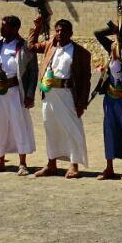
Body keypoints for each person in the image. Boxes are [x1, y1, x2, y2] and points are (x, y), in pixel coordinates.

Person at [29, 17, 90, 178]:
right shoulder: (50, 45)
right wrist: (37, 28)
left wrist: (82, 103)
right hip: (49, 94)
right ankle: (51, 164)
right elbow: (31, 46)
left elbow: (86, 80)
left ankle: (74, 165)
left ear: (70, 33)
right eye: (57, 31)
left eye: (63, 31)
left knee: (72, 129)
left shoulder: (80, 52)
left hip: (67, 95)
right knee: (51, 128)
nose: (59, 34)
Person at [0, 14, 37, 175]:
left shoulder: (24, 46)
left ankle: (22, 163)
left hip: (16, 92)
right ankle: (0, 161)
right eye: (1, 25)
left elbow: (33, 72)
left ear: (15, 28)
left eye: (5, 26)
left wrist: (30, 94)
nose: (1, 29)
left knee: (19, 125)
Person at [95, 21, 122, 181]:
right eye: (121, 34)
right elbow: (98, 34)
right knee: (109, 131)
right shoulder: (114, 47)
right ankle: (109, 167)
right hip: (110, 98)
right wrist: (112, 29)